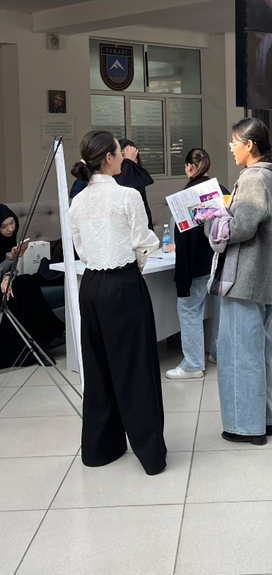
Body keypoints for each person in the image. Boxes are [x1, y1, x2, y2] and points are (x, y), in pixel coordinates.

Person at [69, 131, 167, 475]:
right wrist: (138, 261)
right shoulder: (127, 195)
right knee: (135, 366)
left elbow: (81, 248)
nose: (124, 156)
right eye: (119, 151)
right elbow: (144, 241)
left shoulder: (78, 200)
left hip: (91, 286)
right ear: (109, 158)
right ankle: (149, 452)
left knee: (98, 367)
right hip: (123, 284)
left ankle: (100, 448)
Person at [205, 118, 272, 445]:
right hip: (264, 278)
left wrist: (211, 219)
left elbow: (240, 228)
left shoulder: (254, 178)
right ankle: (262, 420)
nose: (231, 147)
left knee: (239, 355)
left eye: (235, 141)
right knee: (257, 352)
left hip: (245, 279)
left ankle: (246, 427)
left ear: (250, 145)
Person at [166, 148, 228, 380]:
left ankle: (193, 364)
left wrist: (182, 278)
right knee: (221, 311)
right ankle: (218, 353)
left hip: (196, 267)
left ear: (189, 168)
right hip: (221, 263)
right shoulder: (222, 192)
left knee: (190, 311)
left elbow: (184, 243)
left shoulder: (185, 198)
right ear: (208, 167)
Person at [0, 205, 64, 369]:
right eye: (4, 226)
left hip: (5, 286)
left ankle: (36, 346)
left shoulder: (8, 239)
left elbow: (10, 271)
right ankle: (51, 332)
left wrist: (8, 277)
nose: (10, 229)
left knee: (27, 282)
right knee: (24, 289)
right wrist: (10, 259)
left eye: (12, 223)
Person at [115, 139, 155, 231]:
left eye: (134, 156)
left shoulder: (137, 177)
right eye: (125, 156)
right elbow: (121, 186)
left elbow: (145, 210)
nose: (132, 159)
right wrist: (128, 161)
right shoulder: (113, 178)